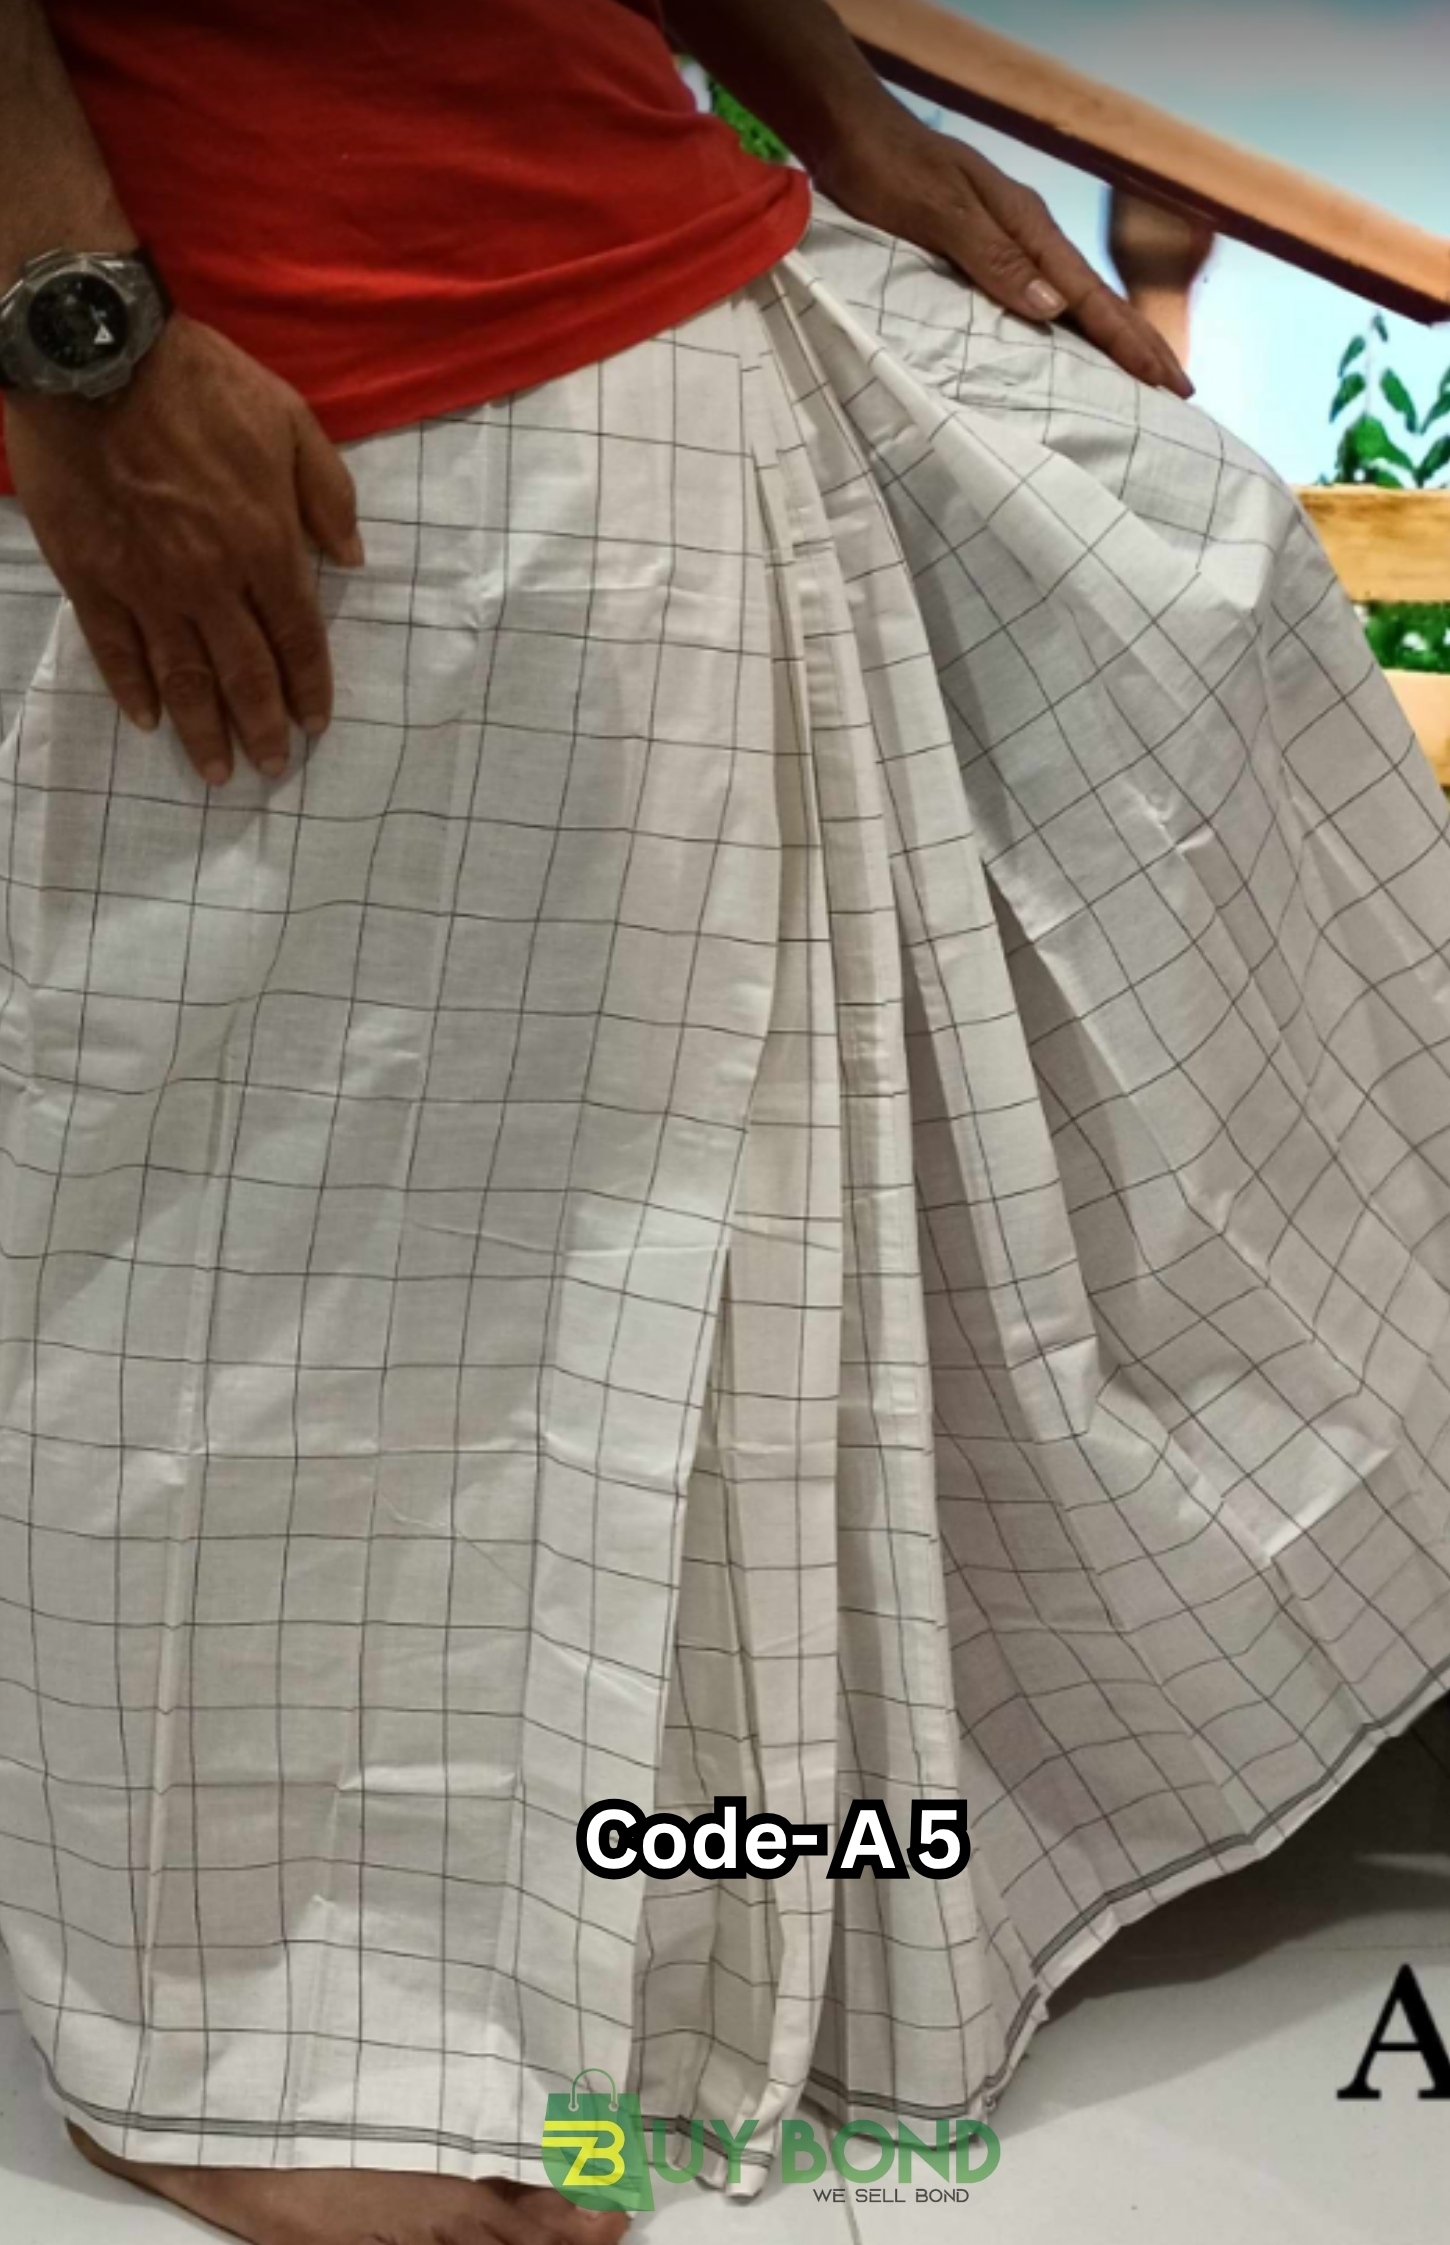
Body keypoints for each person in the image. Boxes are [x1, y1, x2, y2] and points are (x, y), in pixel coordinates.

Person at [1, 4, 1448, 2242]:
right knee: (247, 1284)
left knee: (638, 1252)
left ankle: (595, 1917)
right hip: (252, 372)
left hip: (642, 292)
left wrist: (851, 119)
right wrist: (73, 340)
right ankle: (219, 2012)